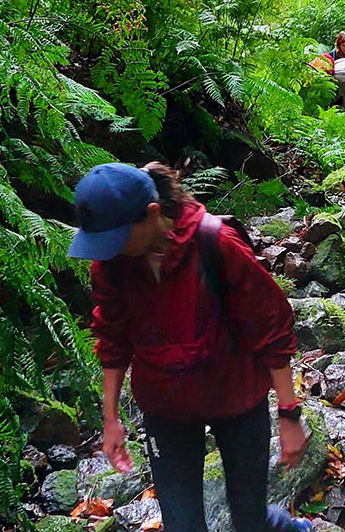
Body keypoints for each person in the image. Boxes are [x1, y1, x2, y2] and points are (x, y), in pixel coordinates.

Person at [68, 161, 311, 532]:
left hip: (237, 398)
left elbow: (270, 325)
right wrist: (111, 419)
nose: (105, 251)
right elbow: (112, 339)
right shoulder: (112, 263)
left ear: (151, 214)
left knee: (250, 521)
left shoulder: (216, 242)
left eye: (115, 239)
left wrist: (288, 413)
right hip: (166, 410)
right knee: (182, 525)